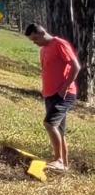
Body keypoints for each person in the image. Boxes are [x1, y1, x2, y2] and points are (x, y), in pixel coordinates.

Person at [24, 23, 82, 171]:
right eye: (32, 41)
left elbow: (76, 66)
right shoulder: (43, 49)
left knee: (49, 124)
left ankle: (59, 160)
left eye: (36, 39)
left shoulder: (59, 44)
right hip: (50, 94)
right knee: (59, 130)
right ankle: (64, 166)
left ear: (43, 32)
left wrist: (64, 87)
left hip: (64, 94)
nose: (35, 43)